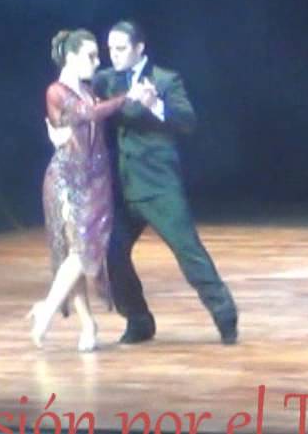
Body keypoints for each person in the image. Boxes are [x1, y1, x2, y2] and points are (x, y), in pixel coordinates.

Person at [51, 20, 238, 345]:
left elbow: (187, 121)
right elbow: (74, 103)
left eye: (121, 49)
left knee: (188, 251)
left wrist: (155, 105)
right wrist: (57, 129)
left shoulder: (165, 79)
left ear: (139, 49)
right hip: (121, 189)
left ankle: (225, 315)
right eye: (110, 49)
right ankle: (138, 320)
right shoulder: (105, 81)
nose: (114, 55)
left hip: (158, 187)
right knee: (112, 253)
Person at [30, 29, 154, 351]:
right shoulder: (56, 91)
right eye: (90, 56)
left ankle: (54, 313)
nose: (97, 62)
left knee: (82, 254)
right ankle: (74, 322)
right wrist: (128, 97)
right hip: (67, 179)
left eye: (97, 56)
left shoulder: (87, 89)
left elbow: (96, 116)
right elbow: (86, 115)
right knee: (75, 254)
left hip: (94, 179)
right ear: (71, 58)